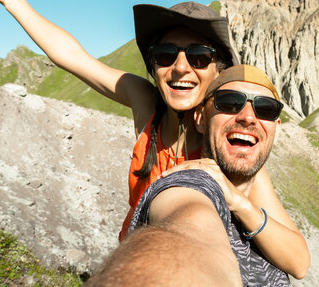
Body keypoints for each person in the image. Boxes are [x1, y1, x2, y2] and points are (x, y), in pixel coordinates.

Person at [0, 0, 310, 277]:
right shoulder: (146, 103)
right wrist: (13, 0)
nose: (180, 67)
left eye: (200, 56)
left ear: (219, 71)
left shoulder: (228, 143)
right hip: (137, 259)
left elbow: (298, 262)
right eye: (165, 54)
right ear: (153, 66)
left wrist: (238, 203)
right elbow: (72, 57)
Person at [86, 65, 303, 286]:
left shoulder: (254, 186)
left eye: (265, 108)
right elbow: (189, 233)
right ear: (200, 118)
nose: (248, 117)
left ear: (276, 127)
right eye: (229, 102)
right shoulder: (191, 182)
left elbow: (300, 263)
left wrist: (241, 204)